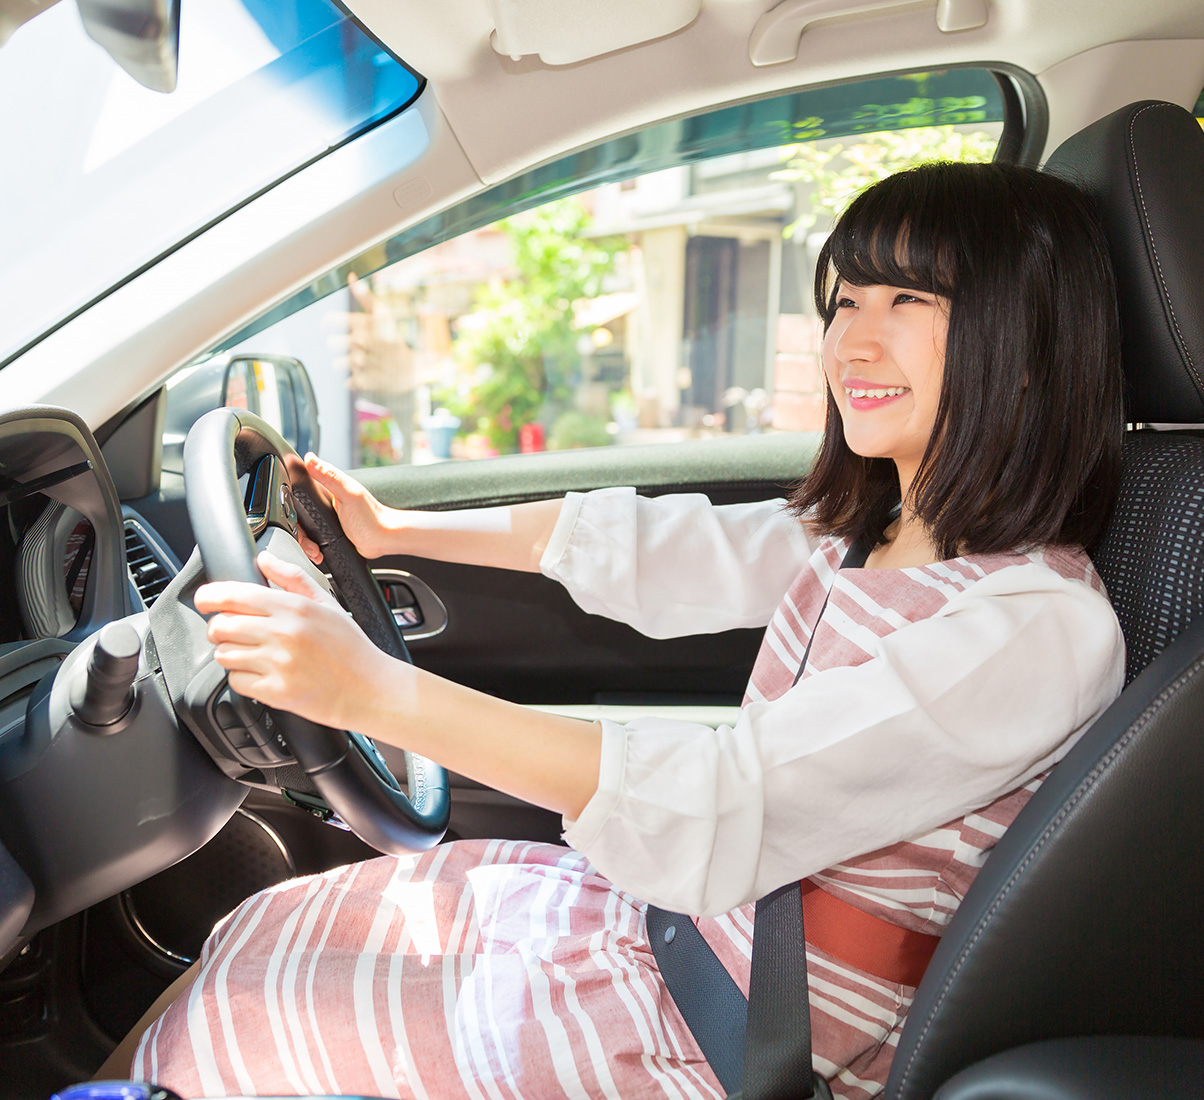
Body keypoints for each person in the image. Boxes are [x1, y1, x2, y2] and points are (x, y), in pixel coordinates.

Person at [117, 161, 1127, 1098]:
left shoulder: (1034, 628)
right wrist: (395, 529)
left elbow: (726, 799)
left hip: (744, 1026)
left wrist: (373, 692)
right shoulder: (874, 532)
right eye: (845, 301)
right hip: (681, 928)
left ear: (1026, 345)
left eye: (909, 301)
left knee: (227, 1026)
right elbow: (654, 547)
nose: (851, 341)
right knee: (263, 926)